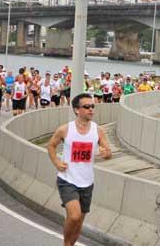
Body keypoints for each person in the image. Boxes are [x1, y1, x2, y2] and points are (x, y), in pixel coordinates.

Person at [47, 93, 112, 246]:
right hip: (67, 179)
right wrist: (56, 162)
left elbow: (108, 152)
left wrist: (106, 153)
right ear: (77, 110)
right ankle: (66, 244)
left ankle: (70, 244)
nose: (91, 109)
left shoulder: (98, 130)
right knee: (74, 216)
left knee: (79, 222)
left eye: (92, 106)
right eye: (86, 107)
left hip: (87, 182)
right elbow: (51, 145)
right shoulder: (65, 129)